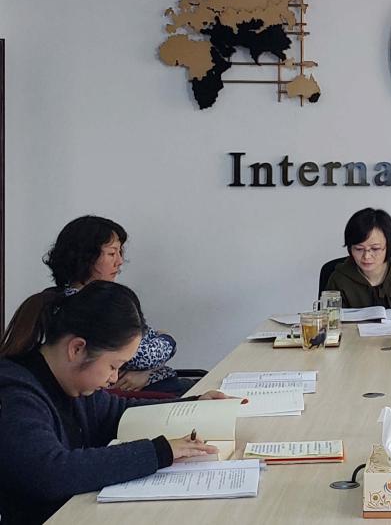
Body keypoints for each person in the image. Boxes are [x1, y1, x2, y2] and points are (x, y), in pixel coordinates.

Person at [0, 281, 231, 525]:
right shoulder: (16, 395)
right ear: (77, 349)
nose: (114, 378)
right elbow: (52, 472)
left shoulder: (73, 385)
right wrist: (160, 452)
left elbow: (119, 413)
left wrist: (195, 405)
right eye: (113, 366)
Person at [1, 216, 183, 394]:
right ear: (85, 258)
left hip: (155, 384)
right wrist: (168, 339)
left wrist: (148, 373)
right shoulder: (88, 307)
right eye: (112, 253)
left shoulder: (96, 299)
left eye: (120, 253)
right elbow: (144, 356)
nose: (119, 261)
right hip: (141, 393)